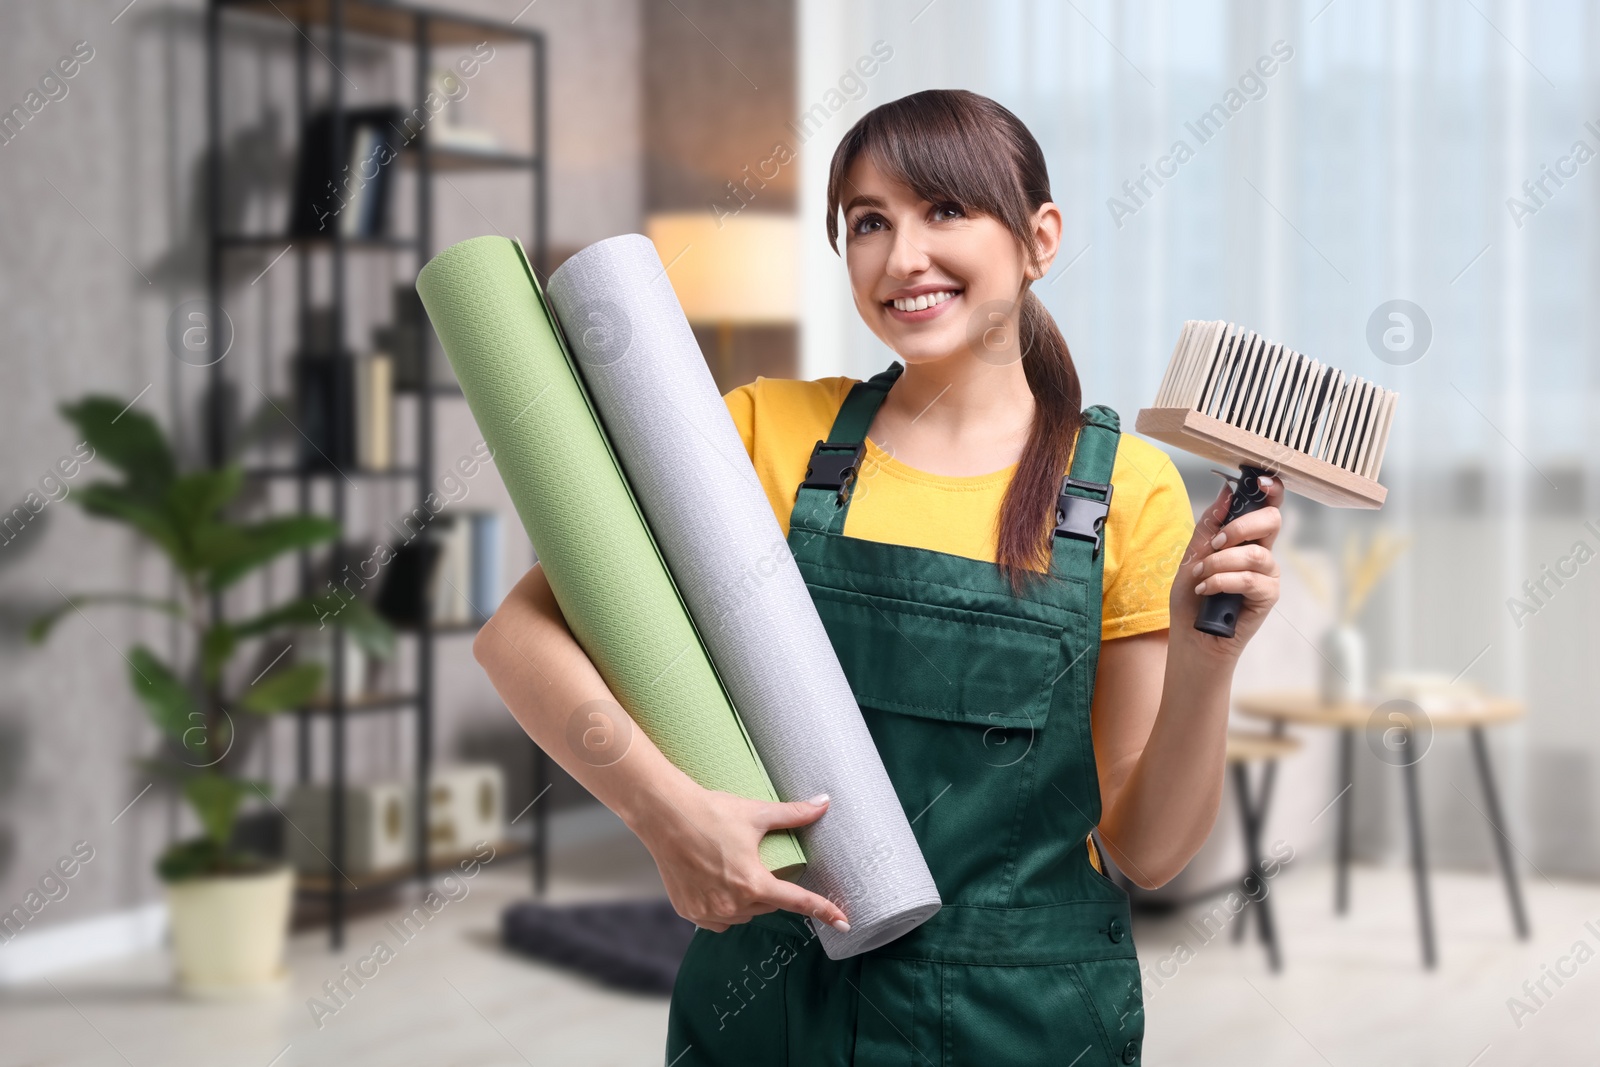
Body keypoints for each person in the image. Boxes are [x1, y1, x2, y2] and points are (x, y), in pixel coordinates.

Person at [474, 88, 1283, 1066]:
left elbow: (1148, 850)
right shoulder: (759, 433)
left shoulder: (1124, 488)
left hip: (1022, 1018)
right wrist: (666, 813)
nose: (902, 257)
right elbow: (518, 636)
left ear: (1040, 237)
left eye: (944, 209)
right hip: (766, 1001)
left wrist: (1207, 663)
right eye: (867, 222)